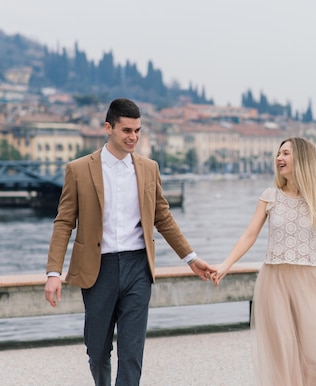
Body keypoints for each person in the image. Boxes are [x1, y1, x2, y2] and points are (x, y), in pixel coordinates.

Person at [44, 98, 215, 386]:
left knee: (132, 352)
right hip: (98, 270)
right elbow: (64, 222)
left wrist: (191, 258)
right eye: (126, 130)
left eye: (137, 131)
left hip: (138, 267)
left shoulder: (150, 168)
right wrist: (53, 273)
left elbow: (163, 217)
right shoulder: (79, 169)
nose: (133, 137)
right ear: (108, 127)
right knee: (97, 352)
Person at [212, 136, 316, 386]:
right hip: (274, 281)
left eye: (286, 153)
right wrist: (225, 265)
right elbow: (250, 235)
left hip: (309, 282)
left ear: (302, 159)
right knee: (283, 352)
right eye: (279, 153)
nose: (279, 158)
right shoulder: (270, 196)